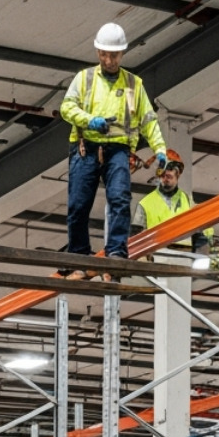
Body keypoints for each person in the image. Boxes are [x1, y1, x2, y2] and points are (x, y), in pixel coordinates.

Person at [58, 22, 168, 280]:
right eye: (104, 54)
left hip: (118, 149)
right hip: (86, 148)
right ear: (98, 52)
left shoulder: (133, 84)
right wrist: (89, 121)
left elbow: (148, 119)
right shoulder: (84, 79)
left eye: (114, 55)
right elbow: (66, 108)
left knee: (119, 199)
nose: (108, 60)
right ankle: (78, 259)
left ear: (122, 54)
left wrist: (160, 148)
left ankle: (116, 254)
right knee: (78, 205)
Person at [136, 149, 214, 254]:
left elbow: (202, 231)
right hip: (157, 257)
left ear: (177, 175)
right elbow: (136, 239)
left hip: (184, 257)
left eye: (169, 176)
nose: (165, 179)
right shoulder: (145, 204)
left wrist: (205, 242)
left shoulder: (187, 201)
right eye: (162, 176)